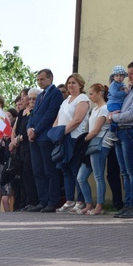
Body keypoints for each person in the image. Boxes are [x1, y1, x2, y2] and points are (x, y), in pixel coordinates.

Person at [109, 61, 133, 219]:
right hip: (121, 131)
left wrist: (113, 117)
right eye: (128, 73)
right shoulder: (129, 89)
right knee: (125, 172)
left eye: (131, 73)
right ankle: (128, 204)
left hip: (131, 132)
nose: (128, 76)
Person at [27, 69, 65, 213]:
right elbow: (33, 113)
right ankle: (42, 201)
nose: (40, 82)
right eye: (38, 80)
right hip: (35, 138)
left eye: (42, 79)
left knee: (50, 170)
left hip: (45, 137)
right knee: (38, 170)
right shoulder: (41, 95)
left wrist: (36, 130)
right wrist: (29, 128)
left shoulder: (55, 94)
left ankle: (52, 201)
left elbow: (50, 114)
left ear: (50, 78)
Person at [52, 73, 90, 213]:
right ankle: (69, 200)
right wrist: (55, 132)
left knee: (75, 169)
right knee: (65, 169)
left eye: (73, 83)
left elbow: (77, 119)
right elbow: (57, 119)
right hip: (62, 138)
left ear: (80, 84)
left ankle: (80, 201)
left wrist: (61, 132)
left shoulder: (83, 99)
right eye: (69, 83)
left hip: (74, 137)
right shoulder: (65, 100)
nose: (71, 85)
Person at [76, 84, 112, 216]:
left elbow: (96, 130)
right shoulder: (95, 109)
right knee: (81, 177)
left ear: (100, 93)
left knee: (98, 176)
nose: (90, 97)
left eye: (91, 94)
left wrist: (82, 141)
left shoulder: (104, 108)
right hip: (91, 146)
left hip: (99, 145)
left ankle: (99, 206)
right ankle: (89, 204)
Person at [12, 88, 39, 211]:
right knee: (22, 175)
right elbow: (15, 129)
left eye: (25, 95)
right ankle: (25, 202)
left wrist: (19, 138)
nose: (22, 98)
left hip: (29, 145)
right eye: (21, 95)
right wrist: (14, 140)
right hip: (20, 147)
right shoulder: (22, 112)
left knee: (29, 173)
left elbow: (29, 130)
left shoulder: (34, 111)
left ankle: (33, 200)